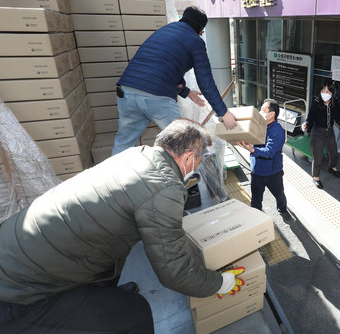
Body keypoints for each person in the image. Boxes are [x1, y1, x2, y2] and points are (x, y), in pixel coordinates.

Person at [0, 119, 243, 333]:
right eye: (198, 162)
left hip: (20, 249)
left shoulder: (136, 155)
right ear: (189, 157)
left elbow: (167, 238)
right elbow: (175, 271)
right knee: (135, 315)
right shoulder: (164, 186)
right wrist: (219, 283)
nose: (196, 168)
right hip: (18, 292)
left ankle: (106, 295)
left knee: (109, 270)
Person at [112, 6, 237, 155]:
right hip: (156, 97)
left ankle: (109, 176)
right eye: (202, 31)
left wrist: (186, 91)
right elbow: (206, 82)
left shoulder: (164, 31)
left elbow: (163, 65)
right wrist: (223, 112)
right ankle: (198, 179)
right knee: (185, 145)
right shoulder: (195, 41)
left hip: (127, 91)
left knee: (123, 144)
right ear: (199, 28)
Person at [237, 99, 289, 220]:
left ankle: (283, 209)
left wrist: (252, 150)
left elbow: (270, 152)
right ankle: (256, 220)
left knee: (279, 195)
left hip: (273, 173)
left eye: (263, 110)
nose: (260, 112)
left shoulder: (277, 130)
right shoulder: (258, 126)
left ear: (272, 114)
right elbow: (252, 143)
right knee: (255, 200)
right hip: (257, 171)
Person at [302, 81, 340, 189]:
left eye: (327, 91)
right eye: (322, 91)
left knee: (333, 151)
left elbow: (337, 116)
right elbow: (310, 118)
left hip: (330, 131)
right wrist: (306, 124)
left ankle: (332, 167)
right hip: (318, 132)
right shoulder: (316, 102)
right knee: (317, 156)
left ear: (332, 93)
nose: (324, 93)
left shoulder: (335, 102)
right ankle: (316, 177)